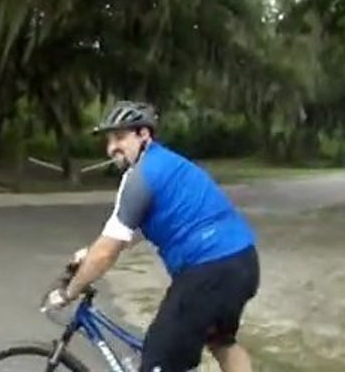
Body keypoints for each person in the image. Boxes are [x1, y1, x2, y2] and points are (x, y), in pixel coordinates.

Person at [43, 100, 260, 372]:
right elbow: (124, 236)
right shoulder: (170, 164)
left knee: (157, 362)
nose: (112, 148)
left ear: (144, 134)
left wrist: (68, 292)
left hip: (208, 270)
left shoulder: (140, 177)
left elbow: (107, 251)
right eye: (109, 141)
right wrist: (90, 253)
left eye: (120, 137)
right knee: (221, 342)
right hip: (243, 263)